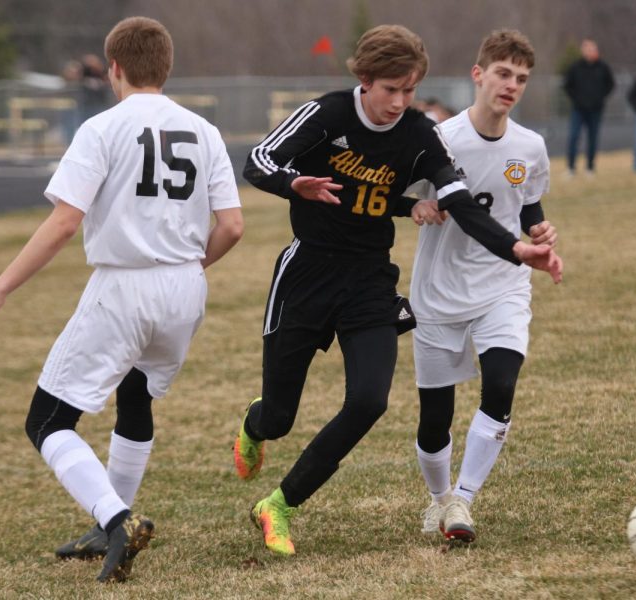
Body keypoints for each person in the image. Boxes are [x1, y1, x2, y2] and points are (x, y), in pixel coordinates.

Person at [235, 24, 562, 557]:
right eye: (391, 89)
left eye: (409, 90)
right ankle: (257, 421)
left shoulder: (417, 133)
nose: (400, 102)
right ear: (365, 80)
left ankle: (279, 505)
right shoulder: (329, 113)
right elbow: (260, 160)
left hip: (368, 279)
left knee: (369, 401)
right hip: (308, 274)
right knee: (280, 417)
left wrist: (516, 249)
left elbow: (455, 197)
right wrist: (295, 184)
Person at [0, 16, 243, 582]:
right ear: (166, 67)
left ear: (113, 68)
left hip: (125, 285)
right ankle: (106, 528)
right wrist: (188, 267)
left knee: (47, 421)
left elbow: (66, 222)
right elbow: (232, 226)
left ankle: (115, 518)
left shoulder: (101, 128)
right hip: (186, 286)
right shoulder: (205, 130)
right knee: (135, 395)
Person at [406, 29, 557, 544]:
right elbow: (393, 195)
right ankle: (438, 499)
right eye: (503, 74)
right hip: (439, 293)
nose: (512, 85)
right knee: (435, 419)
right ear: (479, 74)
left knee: (502, 383)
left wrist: (539, 230)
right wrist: (415, 206)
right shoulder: (440, 140)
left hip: (503, 286)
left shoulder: (531, 147)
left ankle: (463, 501)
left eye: (521, 78)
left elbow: (529, 206)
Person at [562, 39, 614, 176]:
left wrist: (600, 97)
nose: (590, 52)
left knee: (593, 138)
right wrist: (576, 99)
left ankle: (590, 167)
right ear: (583, 51)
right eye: (587, 49)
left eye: (592, 49)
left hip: (596, 110)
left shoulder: (603, 67)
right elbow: (567, 85)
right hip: (578, 109)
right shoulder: (576, 67)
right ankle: (571, 168)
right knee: (574, 137)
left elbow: (610, 84)